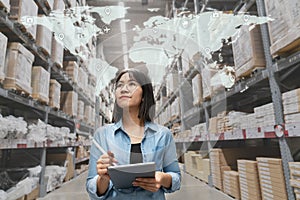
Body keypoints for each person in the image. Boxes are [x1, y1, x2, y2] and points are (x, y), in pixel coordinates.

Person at [86, 68, 181, 199]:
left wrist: (162, 178)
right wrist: (103, 179)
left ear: (144, 95)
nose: (124, 89)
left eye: (131, 84)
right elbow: (92, 186)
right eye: (119, 85)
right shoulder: (102, 135)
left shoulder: (162, 135)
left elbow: (176, 177)